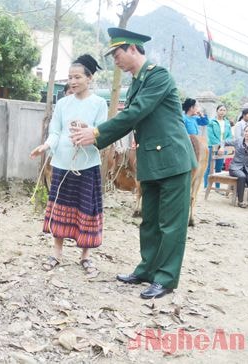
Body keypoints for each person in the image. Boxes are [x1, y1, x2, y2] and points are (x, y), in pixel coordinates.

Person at [71, 28, 197, 299]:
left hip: (173, 160)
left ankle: (165, 278)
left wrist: (95, 133)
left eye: (117, 54)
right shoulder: (137, 82)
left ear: (132, 49)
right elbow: (130, 117)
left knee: (171, 223)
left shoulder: (158, 76)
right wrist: (95, 136)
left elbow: (136, 112)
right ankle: (146, 270)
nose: (115, 60)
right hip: (151, 160)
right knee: (149, 220)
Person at [30, 54, 107, 277]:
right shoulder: (63, 103)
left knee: (86, 209)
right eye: (70, 77)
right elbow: (56, 131)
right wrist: (45, 146)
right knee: (59, 207)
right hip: (62, 163)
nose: (72, 82)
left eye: (77, 77)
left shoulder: (99, 103)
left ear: (90, 78)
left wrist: (89, 131)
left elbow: (102, 133)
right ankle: (56, 253)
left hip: (88, 164)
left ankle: (85, 256)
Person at [218, 124, 248, 208]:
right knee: (242, 176)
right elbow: (224, 141)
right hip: (235, 167)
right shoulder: (238, 141)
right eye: (246, 131)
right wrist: (221, 148)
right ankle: (240, 201)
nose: (247, 133)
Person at [205, 105, 233, 188]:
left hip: (223, 148)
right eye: (220, 110)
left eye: (224, 110)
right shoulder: (211, 121)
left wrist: (222, 146)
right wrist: (220, 145)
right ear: (217, 111)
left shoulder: (227, 123)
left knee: (219, 167)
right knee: (209, 166)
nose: (222, 112)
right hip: (212, 146)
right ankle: (206, 186)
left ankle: (217, 186)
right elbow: (211, 135)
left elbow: (229, 136)